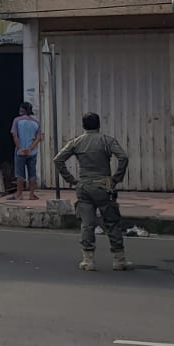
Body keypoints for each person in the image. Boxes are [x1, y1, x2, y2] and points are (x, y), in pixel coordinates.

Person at [53, 112, 131, 272]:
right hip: (104, 186)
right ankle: (119, 260)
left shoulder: (77, 142)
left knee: (87, 224)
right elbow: (123, 157)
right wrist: (116, 178)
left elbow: (58, 159)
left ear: (83, 125)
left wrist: (71, 180)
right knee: (111, 222)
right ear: (99, 124)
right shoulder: (106, 140)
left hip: (84, 187)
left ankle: (88, 261)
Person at [10, 102, 43, 200]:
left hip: (20, 152)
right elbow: (38, 138)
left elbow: (14, 135)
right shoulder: (36, 123)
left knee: (20, 174)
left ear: (22, 110)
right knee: (32, 174)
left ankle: (19, 194)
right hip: (32, 153)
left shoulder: (17, 120)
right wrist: (30, 148)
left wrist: (20, 148)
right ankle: (31, 194)